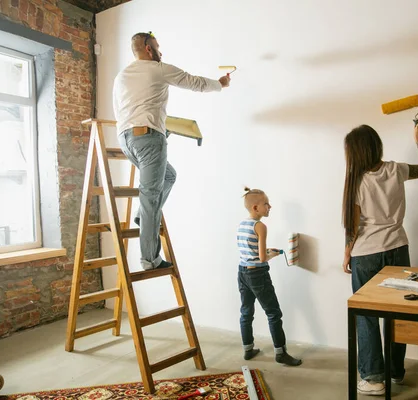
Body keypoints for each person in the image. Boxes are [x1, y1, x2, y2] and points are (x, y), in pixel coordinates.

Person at [112, 32, 230, 270]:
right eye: (157, 47)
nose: (160, 52)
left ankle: (141, 217)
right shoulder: (157, 68)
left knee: (169, 176)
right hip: (148, 140)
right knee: (151, 198)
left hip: (126, 141)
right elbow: (193, 82)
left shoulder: (122, 76)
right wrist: (221, 84)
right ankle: (150, 259)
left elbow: (127, 110)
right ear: (147, 48)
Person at [342, 122, 418, 396]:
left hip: (367, 253)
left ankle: (372, 378)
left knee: (367, 316)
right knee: (397, 311)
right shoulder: (396, 169)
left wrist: (347, 253)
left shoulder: (356, 180)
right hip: (398, 248)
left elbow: (353, 226)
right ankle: (396, 371)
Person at [237, 187, 302, 366]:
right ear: (255, 208)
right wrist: (272, 254)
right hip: (258, 274)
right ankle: (281, 353)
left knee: (246, 311)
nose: (270, 206)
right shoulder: (260, 226)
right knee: (273, 313)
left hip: (242, 272)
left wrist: (265, 252)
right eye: (266, 204)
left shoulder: (243, 224)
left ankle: (248, 349)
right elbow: (262, 258)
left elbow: (250, 251)